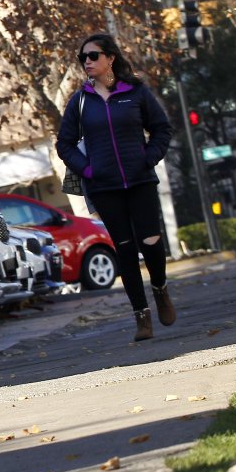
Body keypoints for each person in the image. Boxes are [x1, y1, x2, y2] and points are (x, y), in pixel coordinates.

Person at [56, 34, 174, 341]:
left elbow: (162, 128)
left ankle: (160, 289)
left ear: (110, 58)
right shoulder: (80, 101)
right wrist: (88, 170)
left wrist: (148, 158)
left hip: (140, 180)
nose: (87, 63)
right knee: (124, 248)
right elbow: (64, 143)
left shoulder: (134, 92)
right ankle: (141, 316)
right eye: (83, 58)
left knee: (150, 240)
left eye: (93, 56)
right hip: (105, 188)